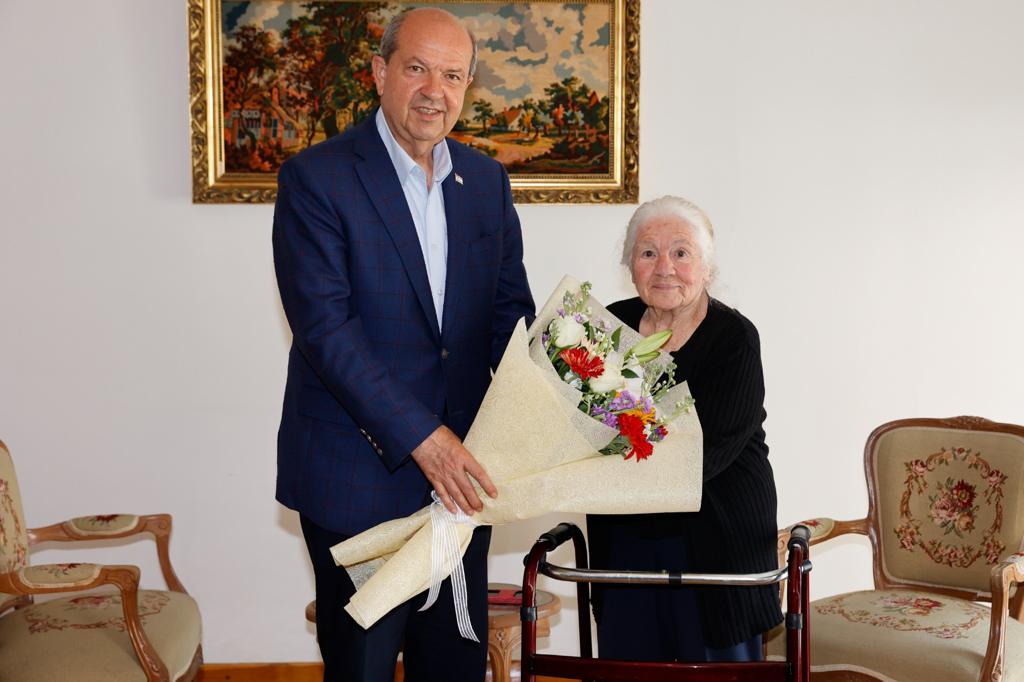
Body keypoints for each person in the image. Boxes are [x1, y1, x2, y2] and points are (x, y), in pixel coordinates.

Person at [271, 8, 534, 681]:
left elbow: (510, 317)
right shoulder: (317, 179)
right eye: (417, 68)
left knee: (453, 664)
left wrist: (567, 398)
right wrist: (425, 439)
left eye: (452, 75)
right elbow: (326, 331)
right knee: (361, 668)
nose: (433, 91)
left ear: (467, 86)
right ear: (379, 72)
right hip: (355, 477)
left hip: (463, 482)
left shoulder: (486, 183)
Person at [587, 196, 782, 662]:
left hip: (715, 534)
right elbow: (585, 427)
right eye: (648, 252)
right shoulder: (607, 326)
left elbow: (708, 453)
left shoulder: (734, 338)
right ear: (630, 265)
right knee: (628, 669)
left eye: (681, 252)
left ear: (707, 268)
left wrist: (612, 462)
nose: (664, 267)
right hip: (626, 534)